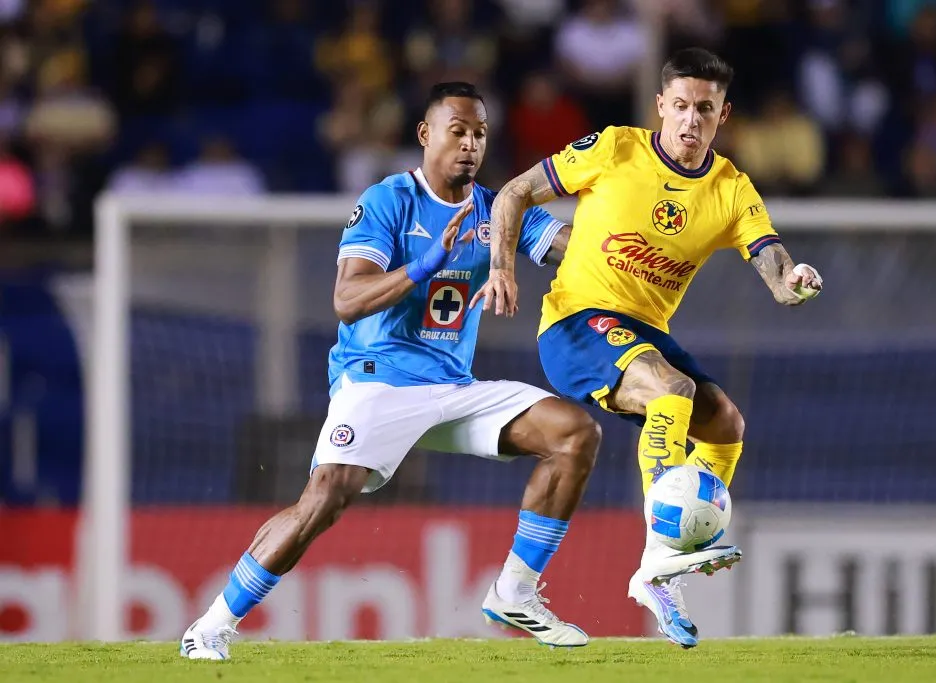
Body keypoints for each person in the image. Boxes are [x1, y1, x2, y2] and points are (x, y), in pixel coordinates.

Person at [180, 82, 600, 659]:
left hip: (454, 388)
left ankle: (516, 592)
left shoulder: (498, 208)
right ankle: (210, 626)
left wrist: (635, 240)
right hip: (379, 378)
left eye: (480, 133)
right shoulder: (388, 201)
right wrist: (422, 266)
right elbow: (346, 299)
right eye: (458, 131)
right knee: (324, 499)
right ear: (426, 135)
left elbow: (574, 251)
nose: (470, 144)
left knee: (573, 433)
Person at [473, 48, 823, 648]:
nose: (691, 121)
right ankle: (664, 548)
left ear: (723, 115)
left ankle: (666, 568)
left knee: (726, 424)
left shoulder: (731, 189)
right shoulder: (615, 149)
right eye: (681, 106)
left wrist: (792, 283)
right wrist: (503, 268)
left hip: (643, 334)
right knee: (673, 389)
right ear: (660, 105)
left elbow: (772, 263)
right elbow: (511, 195)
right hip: (576, 323)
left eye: (705, 111)